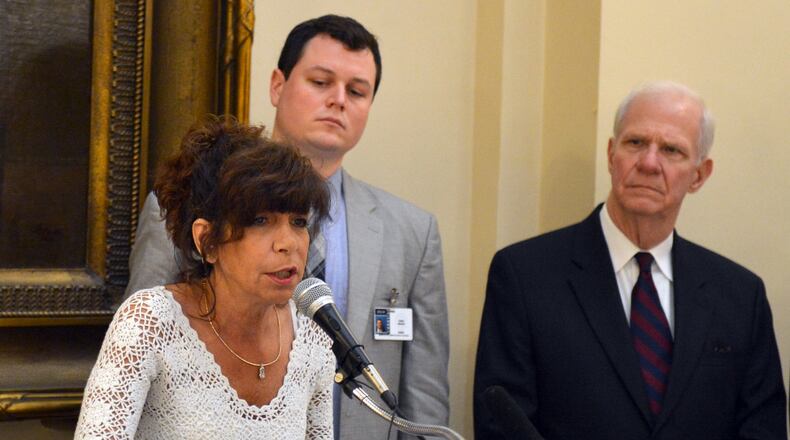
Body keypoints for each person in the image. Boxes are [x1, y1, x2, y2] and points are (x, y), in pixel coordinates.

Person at [124, 15, 450, 439]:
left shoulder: (413, 231)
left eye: (356, 91)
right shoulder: (192, 201)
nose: (338, 100)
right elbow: (138, 359)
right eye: (320, 82)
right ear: (278, 85)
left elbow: (423, 397)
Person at [474, 82, 788, 439]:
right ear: (611, 155)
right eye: (635, 143)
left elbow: (764, 430)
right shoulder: (524, 276)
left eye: (671, 150)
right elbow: (502, 426)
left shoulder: (739, 296)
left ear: (699, 175)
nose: (649, 163)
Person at [76, 117, 334, 438]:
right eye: (260, 220)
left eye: (298, 221)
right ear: (207, 241)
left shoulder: (314, 338)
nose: (288, 243)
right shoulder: (150, 323)